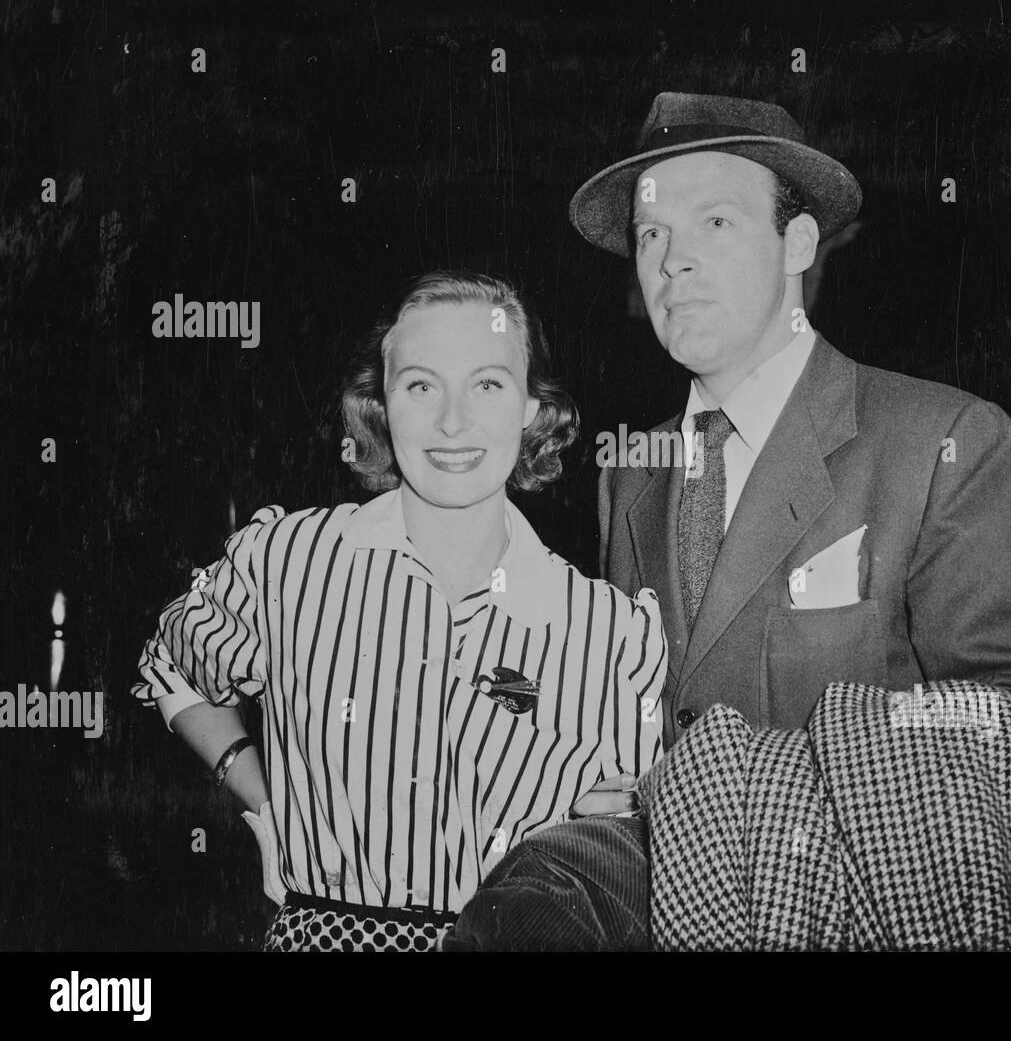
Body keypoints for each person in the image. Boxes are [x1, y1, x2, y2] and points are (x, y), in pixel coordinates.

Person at [445, 92, 1011, 950]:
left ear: (797, 243)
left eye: (715, 221)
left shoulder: (942, 440)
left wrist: (748, 799)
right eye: (651, 235)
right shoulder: (630, 472)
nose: (672, 260)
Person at [133, 271, 666, 950]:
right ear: (381, 404)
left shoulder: (613, 635)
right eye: (420, 385)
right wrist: (267, 799)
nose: (451, 422)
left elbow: (619, 860)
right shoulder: (291, 559)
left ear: (532, 408)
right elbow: (171, 666)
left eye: (488, 385)